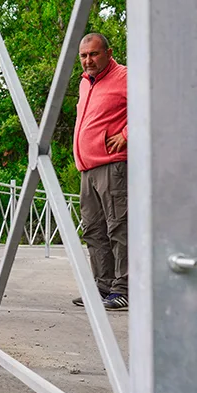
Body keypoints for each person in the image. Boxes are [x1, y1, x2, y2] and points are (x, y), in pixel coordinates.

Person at [72, 32, 128, 311]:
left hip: (114, 166)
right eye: (83, 55)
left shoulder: (125, 76)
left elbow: (154, 103)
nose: (88, 60)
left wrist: (127, 134)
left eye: (93, 54)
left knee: (119, 226)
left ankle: (125, 288)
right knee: (93, 230)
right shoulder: (85, 84)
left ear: (108, 52)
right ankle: (102, 285)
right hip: (88, 168)